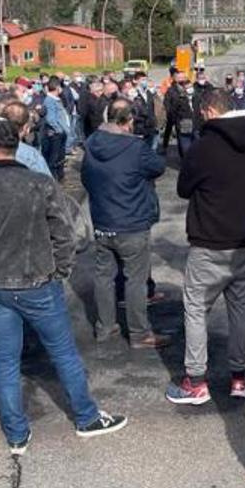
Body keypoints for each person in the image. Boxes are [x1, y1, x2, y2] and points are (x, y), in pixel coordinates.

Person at [0, 121, 127, 454]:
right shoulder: (40, 184)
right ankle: (86, 418)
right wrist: (59, 271)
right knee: (63, 353)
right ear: (16, 146)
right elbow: (65, 235)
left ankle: (16, 434)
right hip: (38, 282)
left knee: (6, 361)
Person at [166, 89, 245, 404]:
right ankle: (239, 378)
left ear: (209, 111)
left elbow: (184, 188)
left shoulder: (203, 147)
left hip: (209, 241)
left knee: (196, 309)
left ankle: (196, 381)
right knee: (239, 309)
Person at [81, 99, 170, 349]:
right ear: (128, 121)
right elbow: (158, 166)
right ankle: (139, 333)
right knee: (135, 279)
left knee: (104, 277)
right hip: (131, 221)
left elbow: (85, 177)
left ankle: (105, 327)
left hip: (102, 219)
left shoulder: (91, 143)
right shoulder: (134, 147)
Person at [40, 76, 71, 180]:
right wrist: (59, 130)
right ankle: (53, 178)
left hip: (60, 133)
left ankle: (60, 175)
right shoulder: (50, 100)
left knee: (60, 157)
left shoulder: (56, 99)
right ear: (57, 87)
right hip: (55, 134)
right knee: (54, 157)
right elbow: (51, 119)